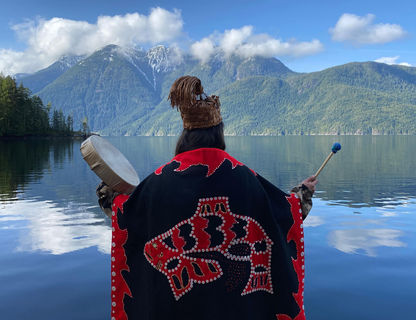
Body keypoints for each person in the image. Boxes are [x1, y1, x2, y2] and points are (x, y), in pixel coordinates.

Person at [97, 76, 317, 320]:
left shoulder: (158, 181)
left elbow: (126, 214)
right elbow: (284, 211)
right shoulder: (245, 178)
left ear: (184, 135)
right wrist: (303, 193)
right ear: (220, 133)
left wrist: (110, 194)